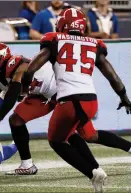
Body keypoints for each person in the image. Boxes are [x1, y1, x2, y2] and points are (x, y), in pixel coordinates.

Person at [0, 43, 131, 177]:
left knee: (88, 134)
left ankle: (110, 158)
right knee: (16, 120)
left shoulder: (17, 65)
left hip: (60, 92)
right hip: (41, 96)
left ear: (1, 60)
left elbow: (11, 97)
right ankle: (27, 165)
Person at [23, 7, 131, 192]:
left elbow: (31, 69)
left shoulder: (54, 40)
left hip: (69, 101)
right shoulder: (94, 44)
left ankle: (93, 172)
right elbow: (112, 77)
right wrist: (124, 97)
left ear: (62, 25)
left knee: (56, 140)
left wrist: (24, 88)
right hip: (91, 101)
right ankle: (104, 163)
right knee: (87, 134)